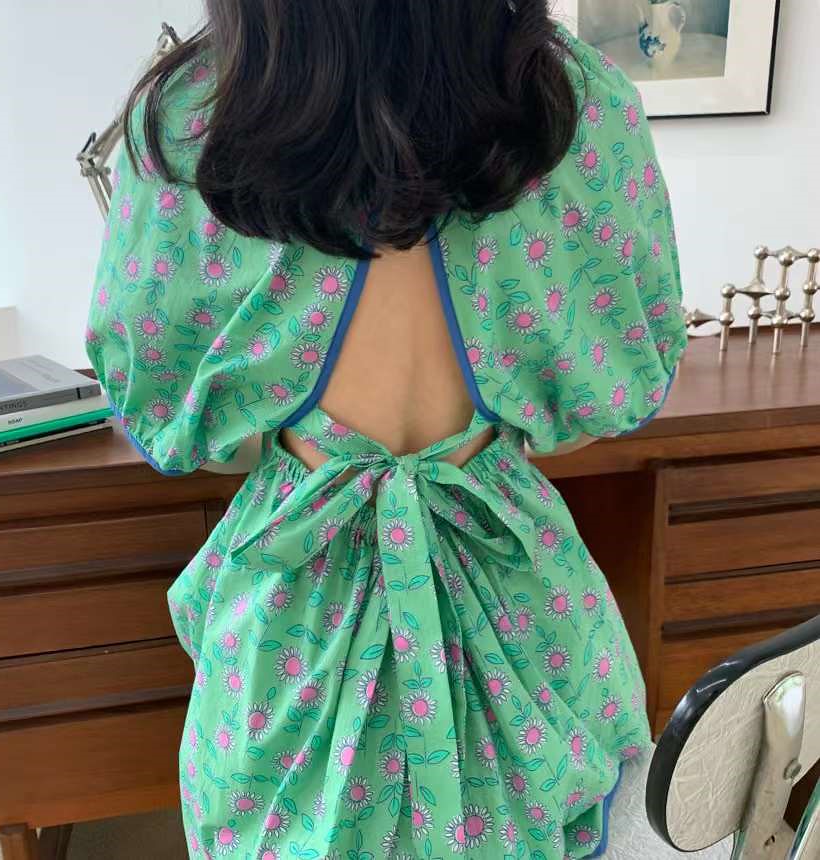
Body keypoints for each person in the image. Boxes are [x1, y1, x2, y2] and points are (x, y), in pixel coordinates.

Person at [85, 2, 687, 857]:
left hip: (298, 603)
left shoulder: (191, 113)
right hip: (512, 584)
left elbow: (176, 421)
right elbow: (606, 397)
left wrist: (302, 429)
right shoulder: (573, 100)